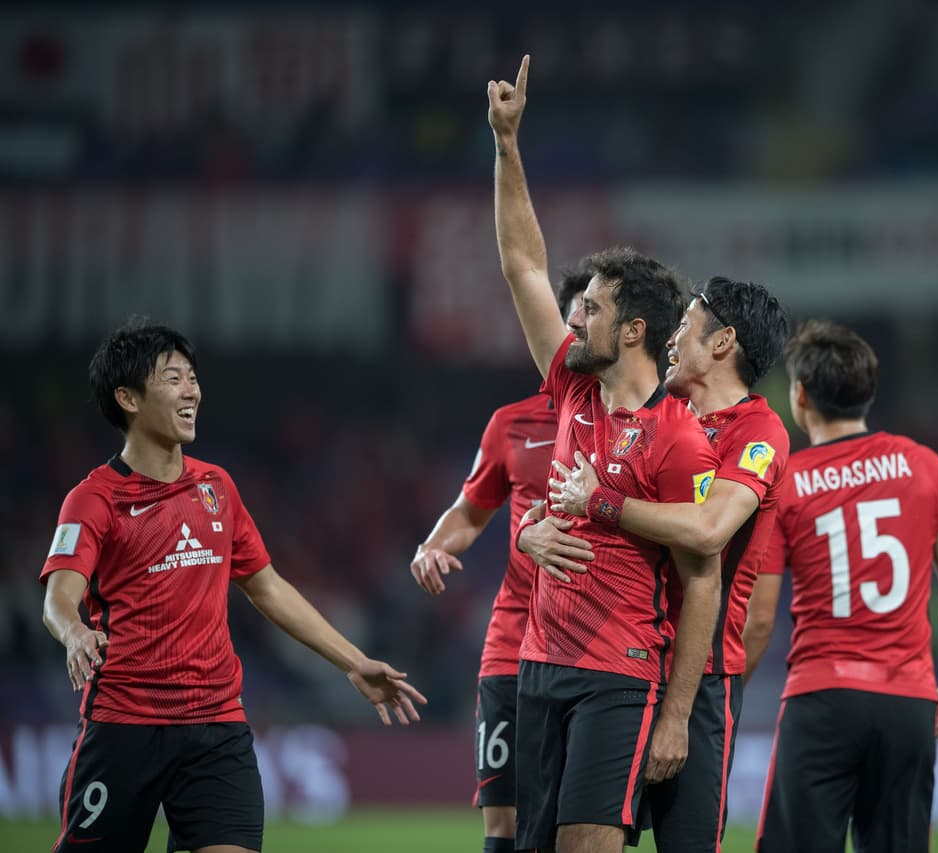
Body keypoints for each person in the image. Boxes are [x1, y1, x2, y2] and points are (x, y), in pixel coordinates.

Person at [40, 319, 426, 853]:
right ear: (127, 397)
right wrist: (75, 633)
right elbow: (58, 597)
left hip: (217, 726)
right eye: (172, 378)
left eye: (192, 377)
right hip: (126, 724)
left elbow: (266, 586)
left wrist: (352, 661)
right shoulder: (94, 500)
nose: (191, 389)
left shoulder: (216, 487)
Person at [487, 55, 722, 853]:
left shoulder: (678, 436)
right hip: (537, 665)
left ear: (631, 331)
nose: (572, 312)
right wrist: (507, 144)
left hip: (619, 675)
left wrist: (679, 713)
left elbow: (701, 578)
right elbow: (520, 263)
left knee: (587, 846)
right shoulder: (573, 389)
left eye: (589, 304)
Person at [544, 275, 791, 852]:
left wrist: (601, 503)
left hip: (698, 677)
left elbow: (708, 530)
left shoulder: (759, 432)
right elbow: (564, 494)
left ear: (724, 342)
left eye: (684, 326)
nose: (670, 338)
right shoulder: (656, 413)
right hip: (621, 666)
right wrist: (534, 530)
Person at [744, 320, 938, 853]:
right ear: (868, 392)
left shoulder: (788, 482)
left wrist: (723, 698)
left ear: (799, 396)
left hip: (822, 696)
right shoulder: (926, 467)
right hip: (908, 701)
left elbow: (759, 618)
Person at [408, 270, 588, 853]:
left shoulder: (634, 426)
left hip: (596, 649)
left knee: (577, 826)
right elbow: (468, 513)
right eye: (577, 317)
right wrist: (433, 545)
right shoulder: (513, 423)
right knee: (504, 827)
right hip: (513, 645)